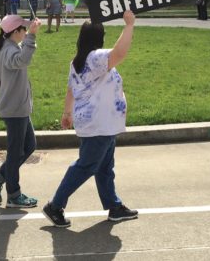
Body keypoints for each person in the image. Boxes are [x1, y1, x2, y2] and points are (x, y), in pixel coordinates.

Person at [43, 12, 138, 228]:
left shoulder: (78, 60)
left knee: (105, 167)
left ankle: (114, 207)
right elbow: (120, 53)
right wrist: (129, 25)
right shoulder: (95, 58)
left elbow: (70, 89)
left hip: (100, 124)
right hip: (99, 125)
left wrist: (67, 113)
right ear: (99, 37)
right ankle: (55, 205)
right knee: (86, 166)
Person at [0, 14, 42, 208]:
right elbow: (22, 61)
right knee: (16, 151)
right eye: (23, 30)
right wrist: (32, 37)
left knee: (29, 146)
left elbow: (23, 57)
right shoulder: (8, 51)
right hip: (14, 110)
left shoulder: (10, 47)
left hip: (19, 108)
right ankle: (14, 194)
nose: (25, 32)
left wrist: (29, 37)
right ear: (15, 32)